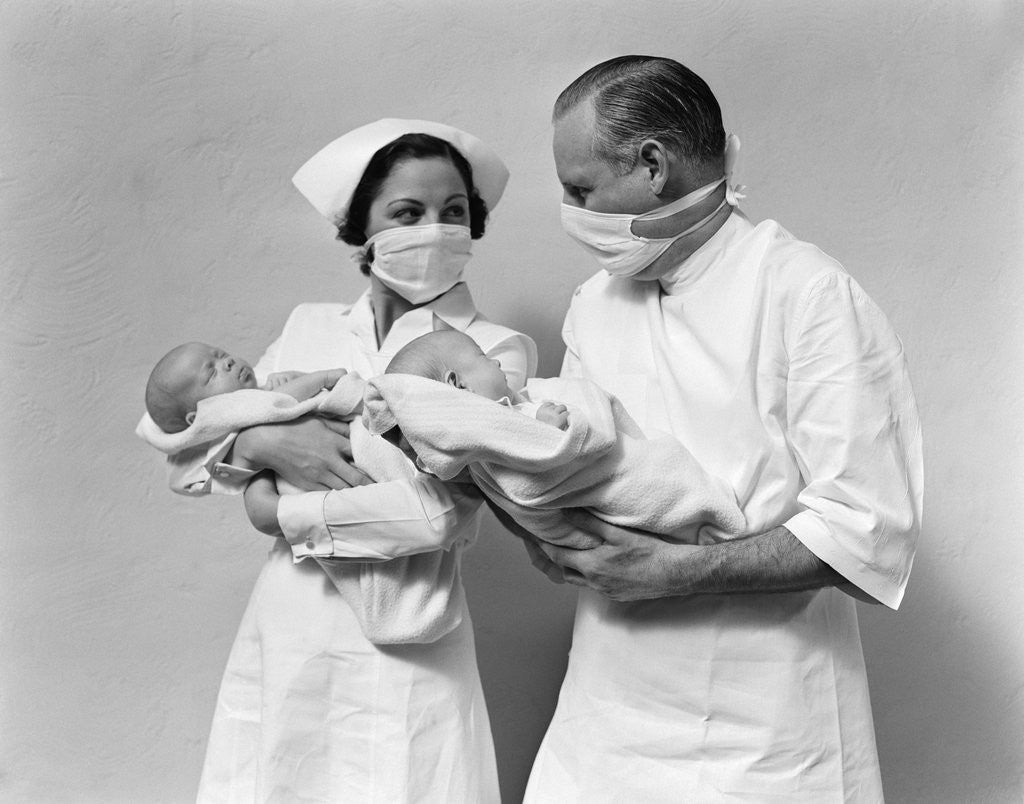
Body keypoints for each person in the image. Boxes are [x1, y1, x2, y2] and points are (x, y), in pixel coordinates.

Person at [501, 56, 923, 802]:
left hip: (764, 734)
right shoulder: (595, 303)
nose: (570, 211)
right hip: (604, 719)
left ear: (653, 166)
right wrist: (542, 529)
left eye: (580, 190)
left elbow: (866, 527)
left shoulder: (807, 294)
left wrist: (667, 572)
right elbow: (564, 462)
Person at [171, 119, 536, 803]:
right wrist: (264, 444)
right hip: (292, 620)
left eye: (454, 211)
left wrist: (281, 506)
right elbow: (205, 444)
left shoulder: (494, 348)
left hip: (412, 630)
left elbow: (440, 512)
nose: (435, 229)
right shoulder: (308, 325)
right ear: (361, 229)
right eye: (408, 213)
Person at [355, 327, 745, 546]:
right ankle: (708, 515)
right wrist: (548, 426)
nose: (496, 361)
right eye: (483, 358)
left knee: (658, 466)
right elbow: (542, 457)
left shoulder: (498, 424)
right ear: (457, 384)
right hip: (613, 483)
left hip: (609, 489)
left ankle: (703, 520)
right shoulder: (494, 435)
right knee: (662, 481)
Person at [139, 340, 349, 437]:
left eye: (221, 355)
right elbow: (275, 402)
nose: (228, 362)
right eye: (212, 374)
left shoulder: (261, 388)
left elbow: (282, 400)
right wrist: (322, 379)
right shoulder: (230, 422)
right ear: (200, 416)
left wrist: (294, 379)